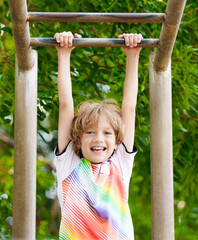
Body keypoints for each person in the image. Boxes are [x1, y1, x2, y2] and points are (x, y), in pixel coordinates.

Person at [54, 31, 143, 240]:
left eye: (106, 133)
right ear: (78, 139)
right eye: (90, 132)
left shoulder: (120, 163)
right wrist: (64, 53)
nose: (98, 139)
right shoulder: (70, 164)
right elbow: (66, 106)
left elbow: (129, 108)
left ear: (117, 141)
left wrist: (133, 55)